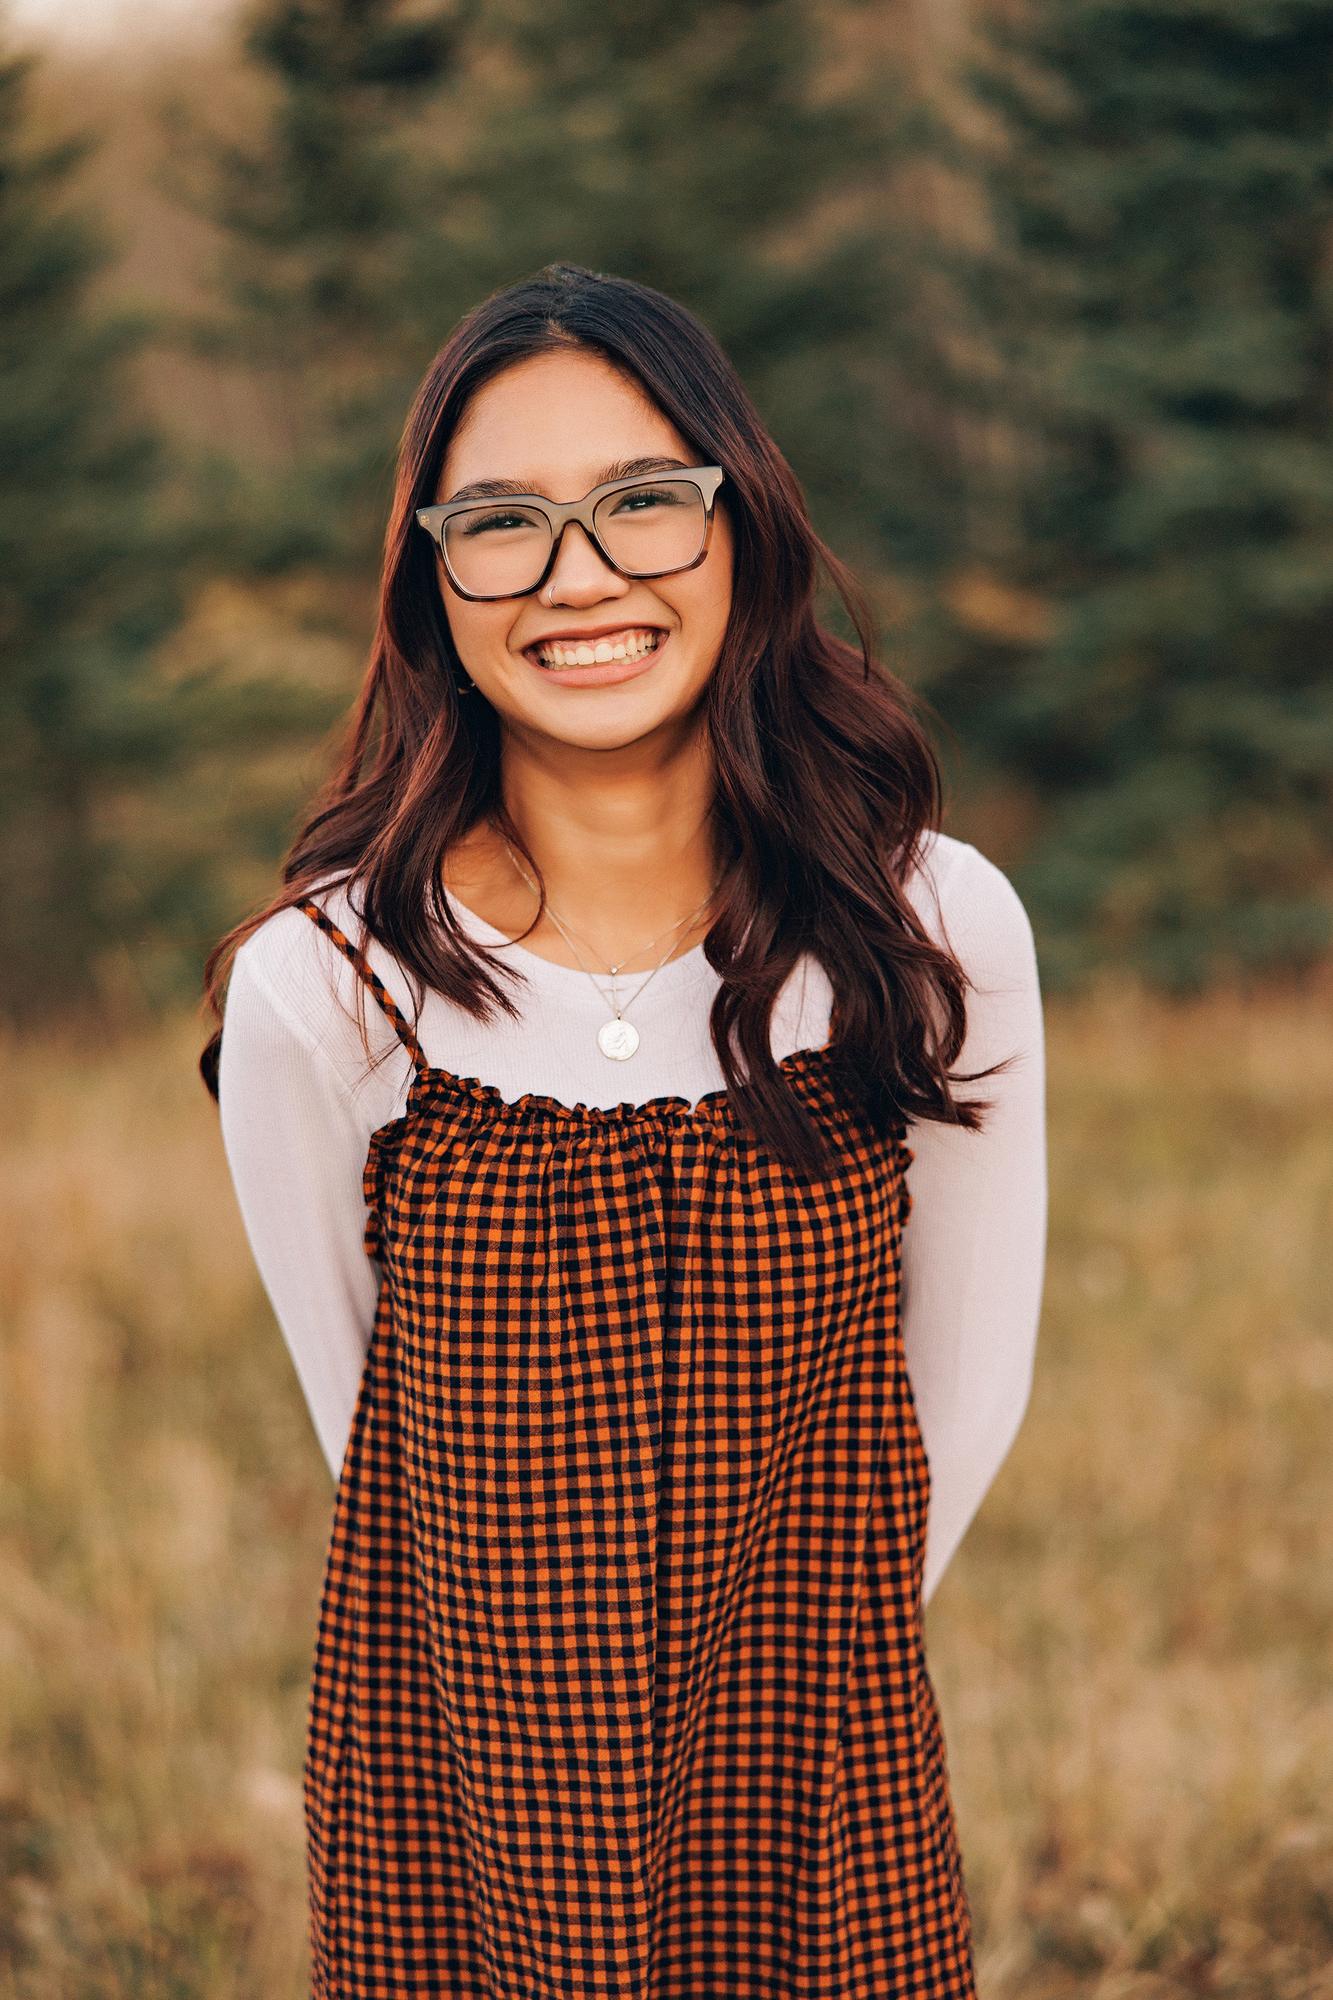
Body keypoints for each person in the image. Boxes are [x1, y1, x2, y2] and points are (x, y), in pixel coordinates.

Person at [201, 261, 1046, 1999]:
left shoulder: (929, 930)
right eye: (499, 523)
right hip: (470, 1788)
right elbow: (370, 1435)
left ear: (742, 525)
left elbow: (959, 1393)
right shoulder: (326, 987)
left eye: (643, 503)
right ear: (433, 583)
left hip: (816, 1755)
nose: (580, 577)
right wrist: (560, 1725)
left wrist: (787, 1687)